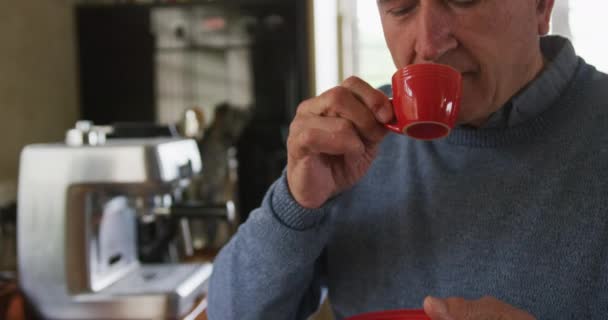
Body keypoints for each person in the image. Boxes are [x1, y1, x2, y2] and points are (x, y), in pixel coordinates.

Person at [207, 0, 608, 319]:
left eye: (463, 1)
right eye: (400, 8)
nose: (429, 45)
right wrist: (296, 206)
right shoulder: (355, 140)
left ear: (541, 6)